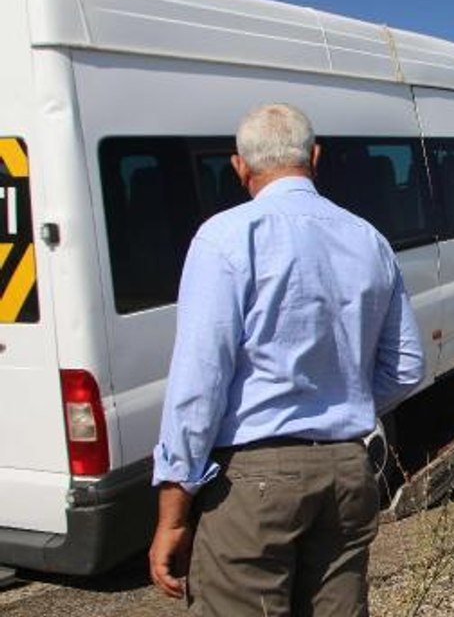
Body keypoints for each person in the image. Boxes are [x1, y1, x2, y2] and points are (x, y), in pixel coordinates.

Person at [148, 103, 425, 616]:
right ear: (315, 157)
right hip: (348, 468)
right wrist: (346, 402)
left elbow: (198, 385)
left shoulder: (225, 238)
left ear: (239, 167)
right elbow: (407, 364)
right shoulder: (369, 239)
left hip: (253, 478)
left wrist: (173, 513)